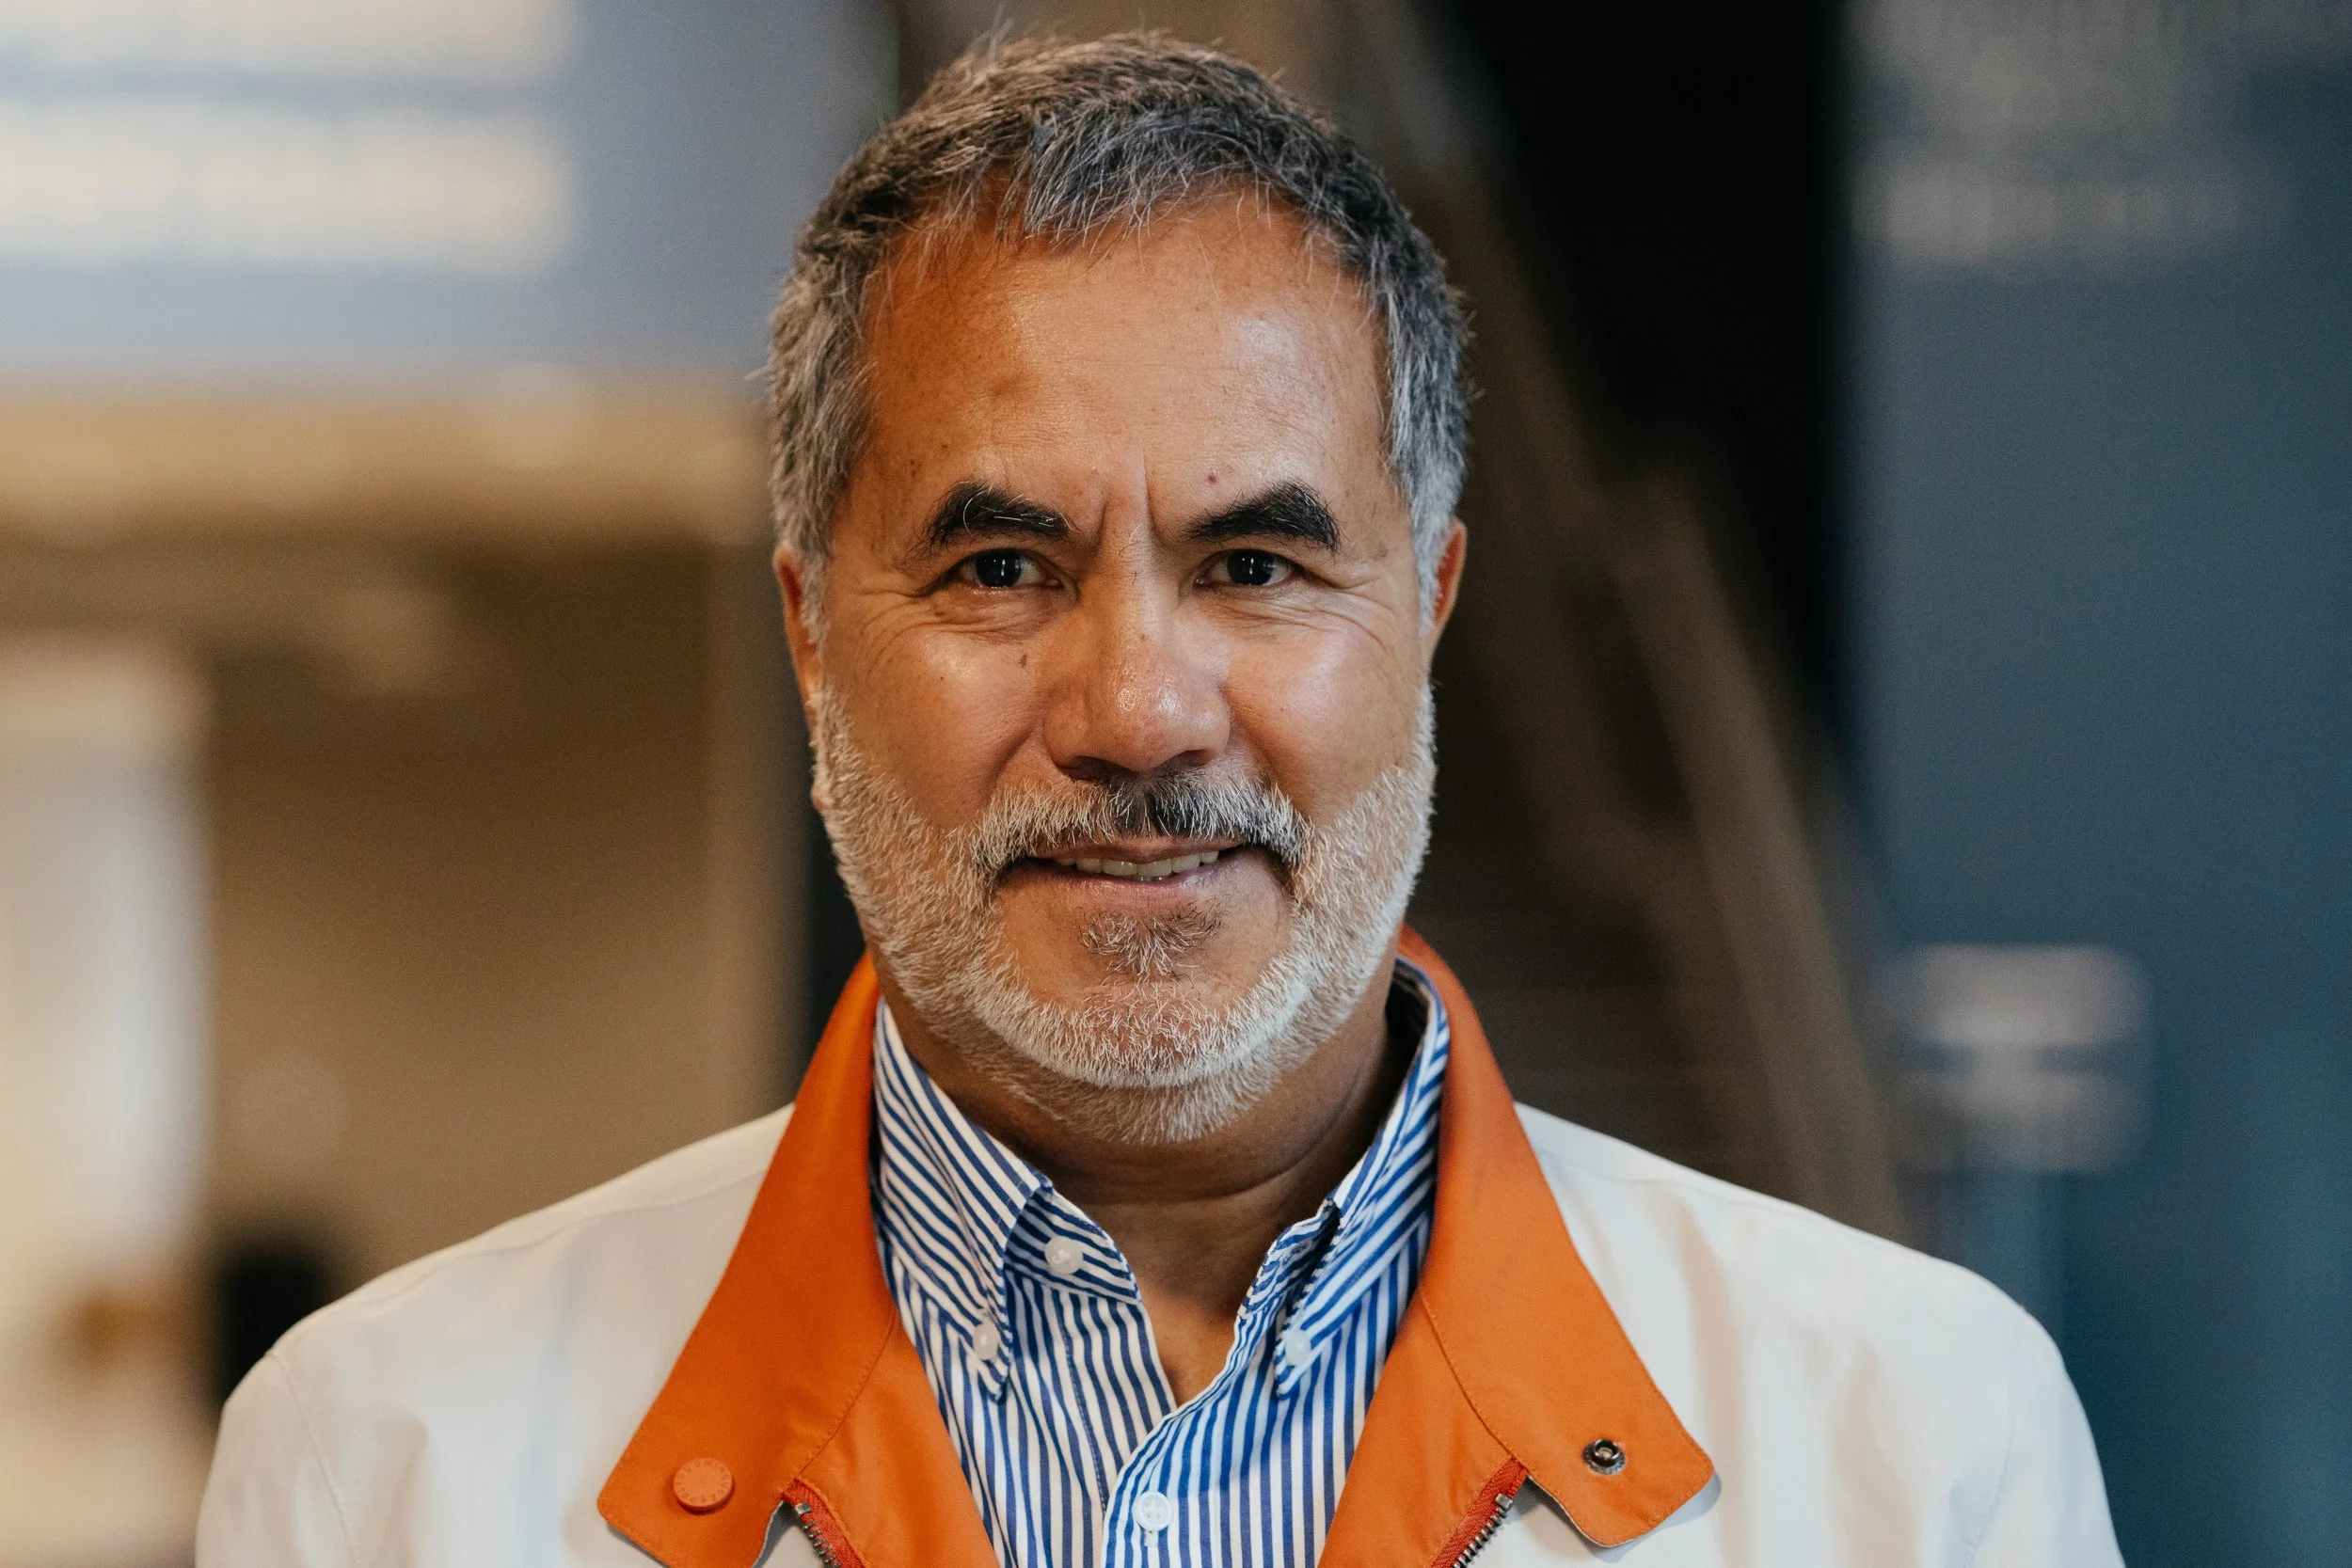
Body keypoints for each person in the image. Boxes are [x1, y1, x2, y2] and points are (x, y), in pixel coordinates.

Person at [196, 33, 2123, 1568]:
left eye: (1257, 565)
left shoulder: (1915, 1445)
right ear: (809, 636)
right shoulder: (391, 1465)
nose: (1135, 712)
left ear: (1429, 613)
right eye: (999, 567)